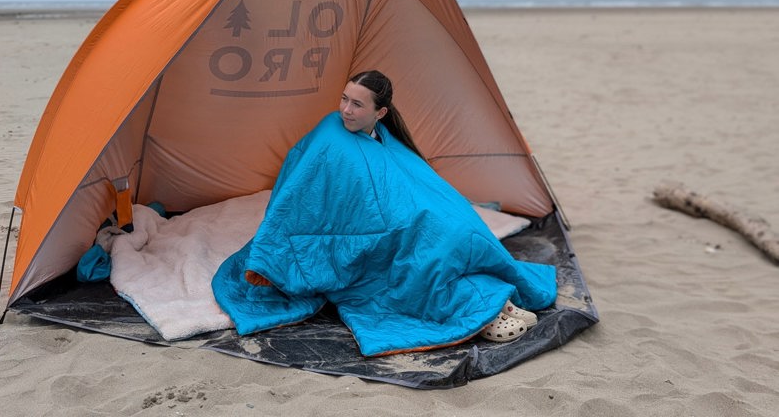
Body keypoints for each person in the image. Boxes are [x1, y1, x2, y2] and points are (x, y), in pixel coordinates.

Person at [213, 70, 557, 355]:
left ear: (380, 113)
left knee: (459, 225)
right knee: (423, 241)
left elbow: (407, 178)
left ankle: (492, 295)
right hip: (365, 227)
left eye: (357, 104)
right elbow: (303, 189)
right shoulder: (331, 132)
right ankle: (480, 306)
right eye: (344, 99)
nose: (346, 110)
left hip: (400, 209)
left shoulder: (385, 138)